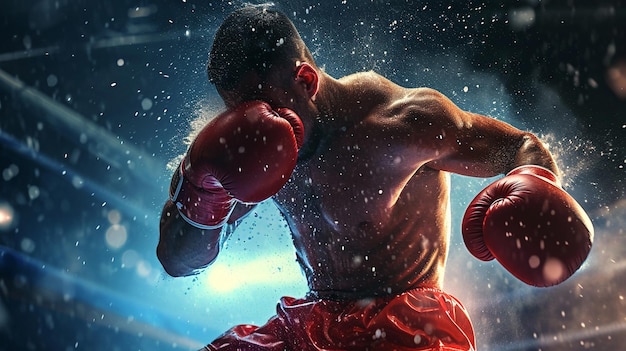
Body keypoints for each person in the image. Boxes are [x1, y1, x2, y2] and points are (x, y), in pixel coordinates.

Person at [157, 5, 594, 351]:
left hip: (407, 329)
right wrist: (199, 186)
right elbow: (179, 261)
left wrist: (538, 183)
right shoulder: (253, 148)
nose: (259, 124)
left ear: (305, 79)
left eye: (268, 108)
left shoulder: (403, 122)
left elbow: (519, 146)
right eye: (241, 113)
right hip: (312, 324)